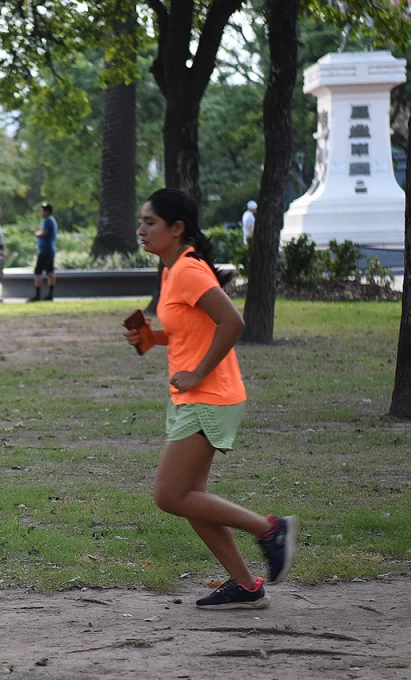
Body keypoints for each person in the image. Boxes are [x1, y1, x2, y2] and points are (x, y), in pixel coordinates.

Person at [125, 188, 296, 610]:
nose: (141, 230)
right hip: (194, 396)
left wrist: (198, 372)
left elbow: (232, 321)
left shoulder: (188, 271)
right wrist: (153, 338)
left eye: (150, 222)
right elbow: (193, 329)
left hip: (210, 395)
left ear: (177, 228)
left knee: (169, 495)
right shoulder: (172, 271)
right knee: (192, 501)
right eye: (141, 222)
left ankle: (270, 529)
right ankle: (246, 586)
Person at [29, 203, 58, 302]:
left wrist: (37, 233)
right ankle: (50, 294)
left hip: (45, 251)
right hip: (49, 250)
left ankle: (37, 295)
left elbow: (44, 233)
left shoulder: (48, 221)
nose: (41, 213)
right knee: (50, 272)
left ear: (47, 211)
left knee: (38, 272)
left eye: (43, 211)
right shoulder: (51, 221)